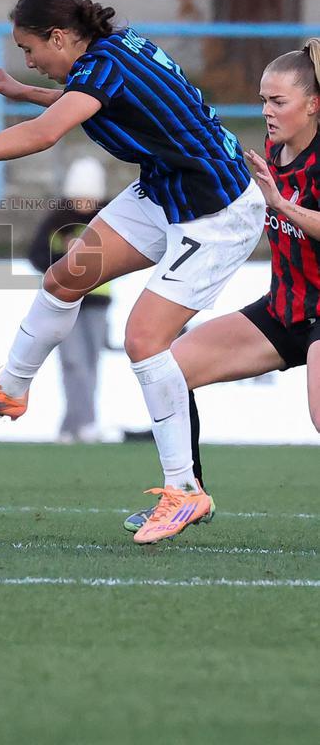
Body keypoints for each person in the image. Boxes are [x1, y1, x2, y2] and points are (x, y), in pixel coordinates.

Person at [0, 0, 264, 544]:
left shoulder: (104, 66)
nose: (29, 60)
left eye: (29, 50)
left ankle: (184, 491)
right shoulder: (112, 53)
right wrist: (24, 91)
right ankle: (12, 389)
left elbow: (47, 135)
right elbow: (87, 99)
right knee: (66, 276)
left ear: (61, 36)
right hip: (166, 192)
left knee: (145, 340)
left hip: (217, 210)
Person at [124, 40, 320, 536]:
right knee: (173, 369)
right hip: (284, 311)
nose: (266, 112)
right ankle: (186, 495)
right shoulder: (274, 152)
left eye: (278, 102)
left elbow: (289, 211)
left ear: (314, 103)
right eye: (262, 101)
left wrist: (282, 204)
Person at [28, 157, 113, 442]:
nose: (84, 203)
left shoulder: (110, 217)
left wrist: (90, 257)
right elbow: (36, 256)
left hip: (97, 301)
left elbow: (124, 255)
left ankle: (71, 425)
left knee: (90, 363)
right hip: (65, 301)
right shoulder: (58, 220)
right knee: (73, 362)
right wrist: (64, 259)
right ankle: (86, 423)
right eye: (79, 197)